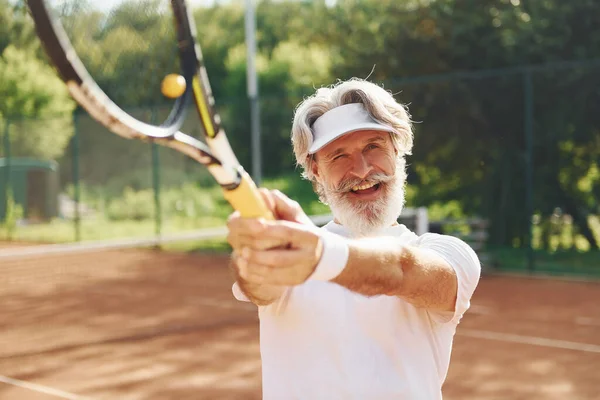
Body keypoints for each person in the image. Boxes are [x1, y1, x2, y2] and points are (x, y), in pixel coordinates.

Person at [226, 78, 481, 399]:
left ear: (397, 150)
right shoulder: (293, 254)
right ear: (316, 171)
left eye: (373, 146)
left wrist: (319, 255)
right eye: (338, 156)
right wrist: (256, 253)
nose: (360, 170)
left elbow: (401, 271)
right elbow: (259, 283)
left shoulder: (448, 253)